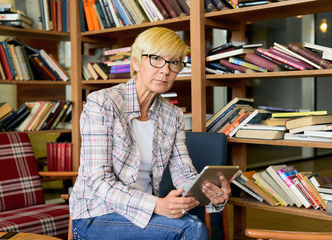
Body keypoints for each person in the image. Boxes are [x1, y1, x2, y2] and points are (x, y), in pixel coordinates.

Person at [69, 27, 231, 240]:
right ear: (136, 62)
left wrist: (209, 193)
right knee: (191, 228)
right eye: (156, 59)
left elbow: (183, 172)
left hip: (145, 214)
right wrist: (157, 204)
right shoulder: (102, 103)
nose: (165, 70)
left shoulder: (172, 115)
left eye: (174, 62)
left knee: (192, 223)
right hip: (97, 213)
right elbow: (98, 180)